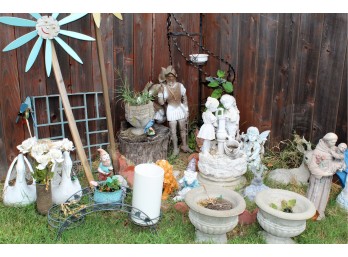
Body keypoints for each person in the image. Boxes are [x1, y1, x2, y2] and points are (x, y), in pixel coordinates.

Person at [305, 132, 346, 220]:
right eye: (332, 142)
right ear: (326, 141)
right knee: (316, 194)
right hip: (318, 178)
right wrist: (323, 173)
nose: (334, 144)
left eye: (335, 142)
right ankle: (312, 213)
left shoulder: (333, 149)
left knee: (324, 194)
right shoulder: (318, 151)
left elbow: (337, 159)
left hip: (327, 178)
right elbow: (312, 167)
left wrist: (338, 165)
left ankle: (320, 212)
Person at [158, 66, 192, 155]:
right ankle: (175, 149)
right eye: (169, 77)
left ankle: (184, 146)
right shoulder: (164, 88)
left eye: (172, 77)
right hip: (171, 109)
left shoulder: (180, 86)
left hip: (180, 108)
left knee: (183, 128)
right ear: (166, 78)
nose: (170, 78)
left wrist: (186, 110)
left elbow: (184, 97)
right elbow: (161, 102)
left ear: (175, 76)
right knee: (173, 130)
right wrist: (160, 93)